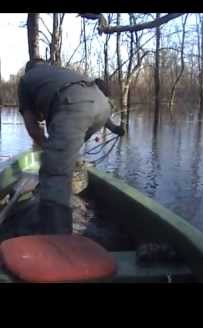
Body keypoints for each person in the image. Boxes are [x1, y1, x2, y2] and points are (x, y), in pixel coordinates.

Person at [18, 58, 125, 234]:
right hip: (103, 106)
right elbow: (89, 104)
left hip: (73, 106)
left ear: (28, 70)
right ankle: (68, 183)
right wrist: (115, 128)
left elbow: (32, 127)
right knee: (66, 158)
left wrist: (48, 150)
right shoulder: (60, 73)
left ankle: (58, 242)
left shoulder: (26, 80)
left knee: (54, 173)